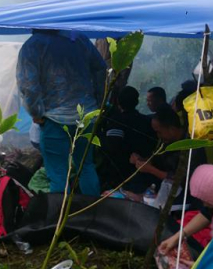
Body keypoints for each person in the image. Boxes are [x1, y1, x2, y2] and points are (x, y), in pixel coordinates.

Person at [17, 30, 106, 196]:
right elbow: (101, 69)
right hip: (86, 116)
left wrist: (36, 112)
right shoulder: (79, 39)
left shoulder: (33, 45)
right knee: (85, 166)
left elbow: (28, 85)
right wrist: (98, 102)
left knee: (58, 173)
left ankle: (59, 217)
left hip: (54, 119)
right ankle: (92, 214)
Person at [102, 86, 158, 193]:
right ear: (137, 101)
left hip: (120, 175)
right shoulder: (147, 121)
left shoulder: (116, 121)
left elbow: (112, 146)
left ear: (118, 101)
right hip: (144, 173)